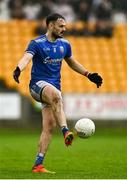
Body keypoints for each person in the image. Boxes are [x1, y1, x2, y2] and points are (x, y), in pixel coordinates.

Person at [13, 13, 103, 173]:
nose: (64, 28)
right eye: (61, 26)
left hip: (53, 88)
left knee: (48, 127)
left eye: (65, 26)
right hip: (37, 86)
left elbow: (72, 62)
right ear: (50, 26)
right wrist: (19, 68)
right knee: (56, 96)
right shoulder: (37, 43)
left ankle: (38, 164)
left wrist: (89, 74)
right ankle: (65, 130)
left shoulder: (65, 44)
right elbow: (26, 57)